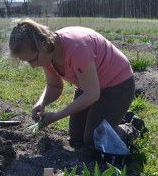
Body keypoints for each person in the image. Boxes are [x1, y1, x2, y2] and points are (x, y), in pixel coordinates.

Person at [9, 18, 139, 148]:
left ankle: (132, 127)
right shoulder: (47, 53)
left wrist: (57, 116)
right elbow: (54, 86)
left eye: (33, 60)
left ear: (43, 45)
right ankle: (113, 115)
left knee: (94, 141)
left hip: (117, 85)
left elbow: (92, 94)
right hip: (90, 87)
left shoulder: (76, 47)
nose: (33, 66)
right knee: (76, 139)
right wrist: (41, 103)